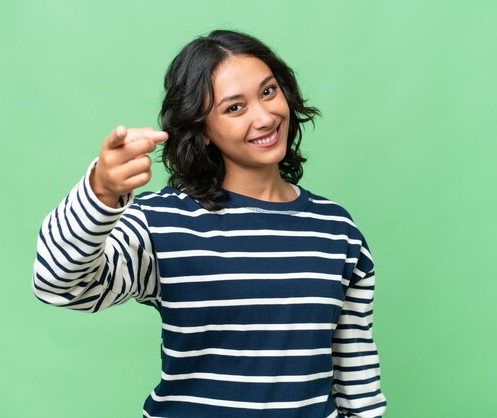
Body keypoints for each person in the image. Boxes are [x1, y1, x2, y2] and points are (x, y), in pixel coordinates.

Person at [32, 29, 387, 418]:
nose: (265, 117)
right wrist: (100, 191)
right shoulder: (163, 223)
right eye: (234, 108)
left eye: (268, 92)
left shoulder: (335, 229)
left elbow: (357, 376)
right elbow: (60, 284)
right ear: (202, 131)